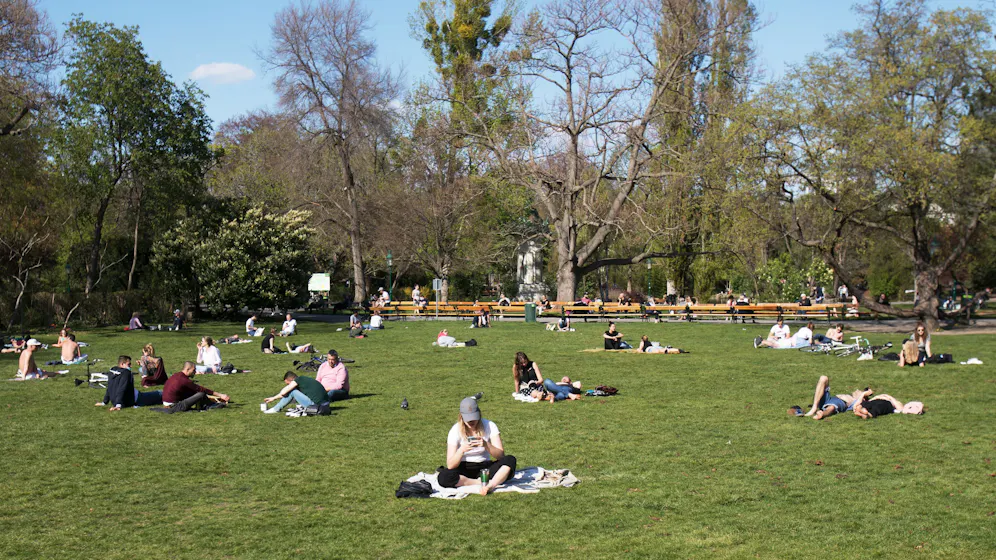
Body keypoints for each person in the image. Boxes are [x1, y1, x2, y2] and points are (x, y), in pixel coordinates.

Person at [438, 397, 517, 495]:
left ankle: (491, 485)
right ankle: (479, 482)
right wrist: (461, 450)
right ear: (461, 417)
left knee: (510, 460)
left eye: (474, 418)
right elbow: (450, 464)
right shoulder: (455, 430)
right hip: (464, 467)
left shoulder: (490, 425)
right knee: (444, 477)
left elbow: (501, 455)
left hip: (485, 467)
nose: (471, 422)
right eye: (468, 419)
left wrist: (486, 445)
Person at [95, 355, 163, 411]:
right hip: (137, 399)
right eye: (129, 364)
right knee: (161, 393)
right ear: (122, 364)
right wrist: (118, 405)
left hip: (125, 399)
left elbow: (109, 387)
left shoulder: (112, 370)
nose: (131, 366)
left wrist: (104, 402)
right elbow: (122, 388)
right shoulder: (126, 373)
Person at [160, 361, 230, 412]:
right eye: (193, 370)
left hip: (167, 403)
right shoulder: (184, 380)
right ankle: (211, 405)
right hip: (174, 406)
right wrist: (220, 395)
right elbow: (202, 389)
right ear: (187, 369)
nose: (195, 372)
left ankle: (211, 404)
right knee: (201, 393)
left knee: (194, 392)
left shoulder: (176, 375)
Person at [798, 376, 871, 420]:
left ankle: (822, 414)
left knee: (831, 407)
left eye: (859, 391)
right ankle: (814, 407)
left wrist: (864, 393)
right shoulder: (850, 396)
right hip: (829, 399)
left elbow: (870, 392)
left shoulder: (856, 401)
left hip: (841, 402)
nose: (857, 391)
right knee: (823, 378)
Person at [262, 371, 329, 413]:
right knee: (293, 392)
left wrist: (274, 398)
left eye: (288, 384)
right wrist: (273, 398)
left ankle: (275, 409)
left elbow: (284, 393)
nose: (288, 386)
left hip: (316, 406)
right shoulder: (305, 380)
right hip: (326, 405)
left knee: (293, 392)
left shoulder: (298, 380)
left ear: (292, 381)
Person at [853, 395, 924, 419]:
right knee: (876, 410)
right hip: (884, 403)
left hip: (880, 401)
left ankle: (862, 410)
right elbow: (899, 407)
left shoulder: (894, 402)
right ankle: (865, 414)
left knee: (868, 405)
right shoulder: (892, 402)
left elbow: (900, 408)